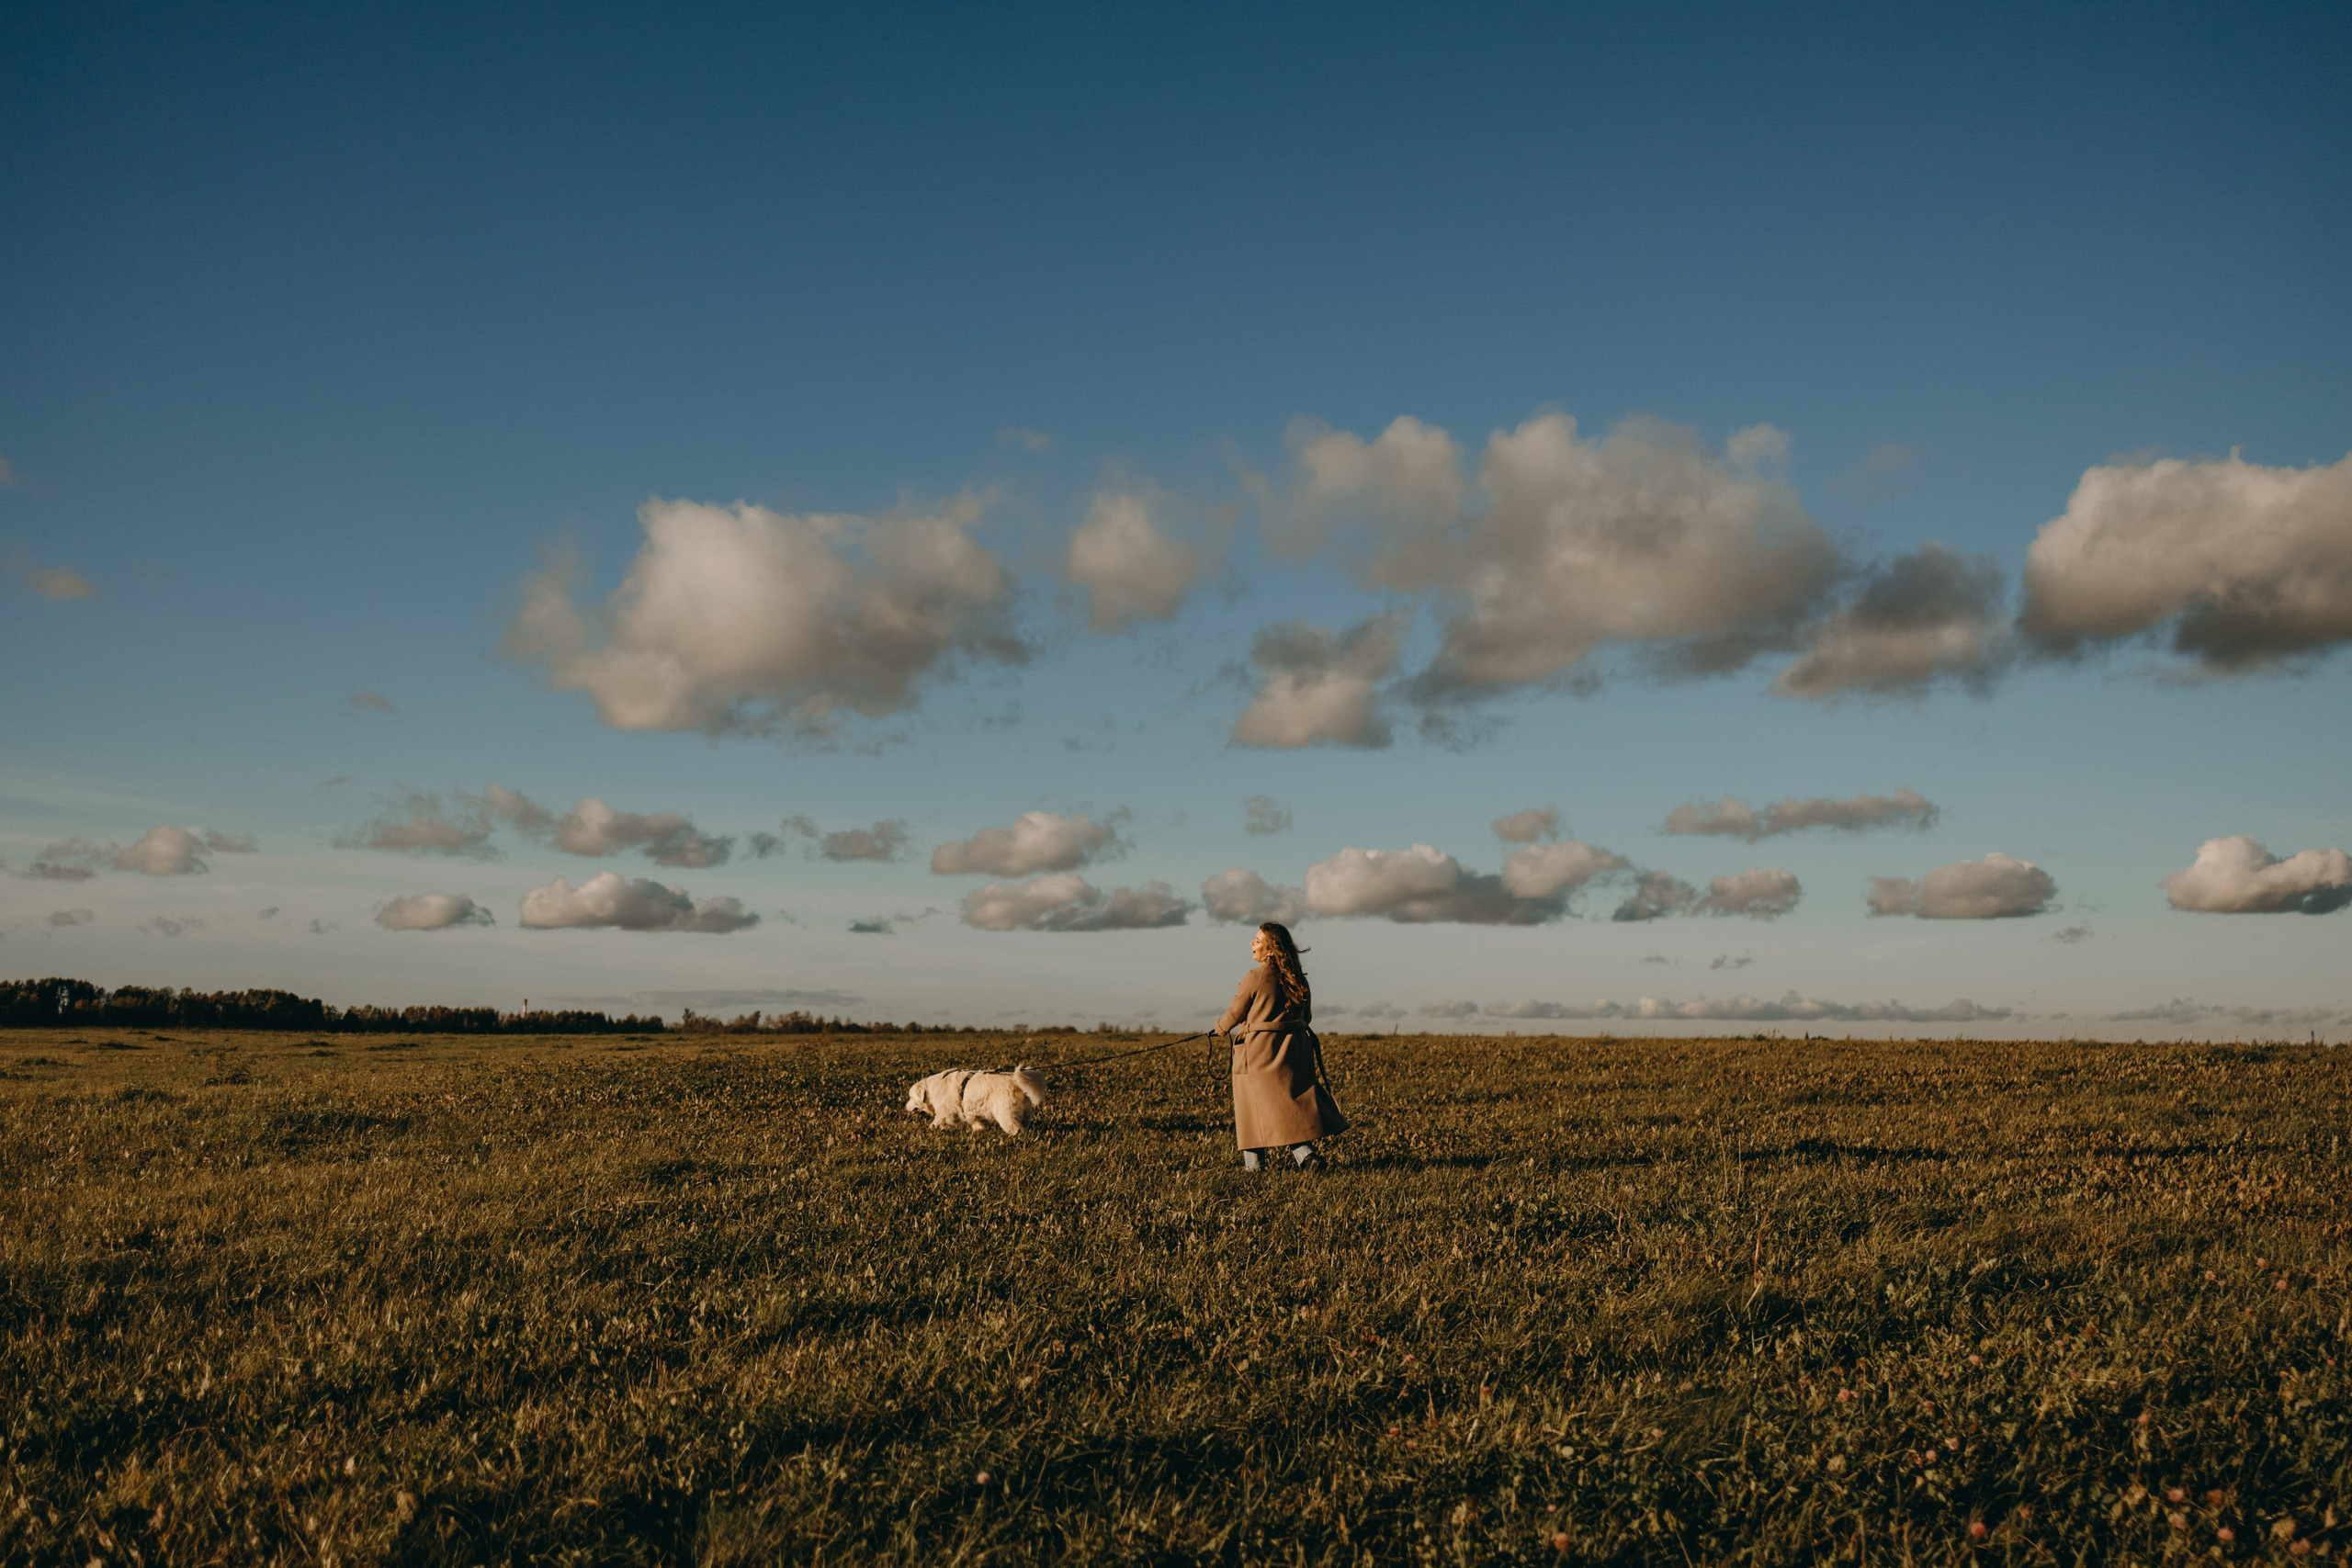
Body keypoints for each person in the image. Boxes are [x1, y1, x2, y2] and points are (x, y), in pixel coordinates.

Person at [1215, 920, 1347, 1171]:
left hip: (1257, 1052)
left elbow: (1235, 1012)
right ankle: (1307, 1158)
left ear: (1271, 950)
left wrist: (1219, 1028)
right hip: (1293, 1050)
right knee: (1288, 1105)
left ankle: (1254, 1168)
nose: (1251, 944)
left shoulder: (1255, 977)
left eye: (1257, 941)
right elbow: (1306, 1017)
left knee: (1251, 1108)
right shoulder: (1298, 979)